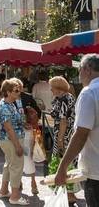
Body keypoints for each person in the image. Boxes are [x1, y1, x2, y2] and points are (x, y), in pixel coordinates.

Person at [55, 54, 99, 207]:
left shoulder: (89, 92)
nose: (78, 73)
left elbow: (81, 134)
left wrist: (62, 167)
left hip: (96, 171)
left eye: (79, 69)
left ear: (87, 69)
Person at [0, 79, 28, 206]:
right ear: (8, 92)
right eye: (16, 90)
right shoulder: (5, 106)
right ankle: (15, 196)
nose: (19, 92)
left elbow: (12, 124)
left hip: (8, 140)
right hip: (11, 140)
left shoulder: (8, 103)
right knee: (16, 167)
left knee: (9, 165)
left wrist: (23, 124)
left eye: (19, 90)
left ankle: (4, 191)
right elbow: (9, 128)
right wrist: (17, 145)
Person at [48, 76, 78, 204]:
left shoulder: (64, 99)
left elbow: (63, 121)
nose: (50, 90)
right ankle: (67, 192)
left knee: (63, 162)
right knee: (67, 162)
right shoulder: (67, 97)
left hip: (64, 136)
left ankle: (69, 194)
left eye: (52, 88)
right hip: (67, 134)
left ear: (58, 88)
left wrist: (60, 140)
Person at [11, 78, 39, 196]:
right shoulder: (9, 99)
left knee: (28, 156)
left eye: (18, 86)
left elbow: (37, 112)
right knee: (17, 157)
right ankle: (19, 181)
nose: (16, 89)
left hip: (27, 131)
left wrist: (31, 118)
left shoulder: (27, 97)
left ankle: (33, 182)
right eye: (14, 87)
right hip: (15, 132)